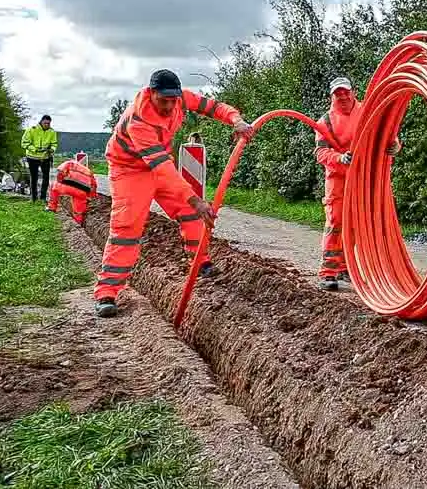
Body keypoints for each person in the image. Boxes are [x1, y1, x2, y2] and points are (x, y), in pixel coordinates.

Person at [93, 69, 253, 318]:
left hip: (159, 162)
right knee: (127, 228)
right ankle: (107, 292)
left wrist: (235, 120)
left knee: (190, 213)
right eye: (163, 100)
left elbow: (215, 107)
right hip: (130, 170)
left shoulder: (180, 98)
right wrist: (196, 199)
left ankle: (200, 263)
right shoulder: (139, 120)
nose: (169, 106)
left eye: (173, 100)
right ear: (151, 93)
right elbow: (163, 169)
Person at [314, 76, 401, 291]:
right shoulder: (325, 121)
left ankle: (344, 267)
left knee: (355, 224)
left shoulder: (369, 111)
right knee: (335, 222)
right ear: (331, 96)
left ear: (353, 92)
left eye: (345, 91)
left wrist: (395, 145)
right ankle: (328, 272)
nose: (342, 96)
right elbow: (320, 152)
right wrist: (339, 158)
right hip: (338, 179)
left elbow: (387, 133)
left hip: (364, 177)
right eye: (337, 93)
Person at [45, 158, 98, 226]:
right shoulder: (89, 172)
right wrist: (89, 197)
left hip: (67, 187)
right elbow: (94, 186)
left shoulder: (69, 163)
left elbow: (60, 172)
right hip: (81, 193)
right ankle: (78, 223)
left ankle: (52, 207)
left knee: (53, 186)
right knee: (78, 211)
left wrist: (60, 182)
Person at [21, 115, 58, 202]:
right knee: (34, 178)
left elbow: (54, 143)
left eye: (48, 123)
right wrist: (35, 149)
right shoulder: (31, 130)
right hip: (32, 157)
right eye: (45, 123)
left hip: (45, 157)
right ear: (41, 122)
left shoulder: (52, 132)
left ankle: (43, 198)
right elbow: (24, 143)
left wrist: (52, 150)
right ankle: (33, 198)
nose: (46, 125)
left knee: (46, 178)